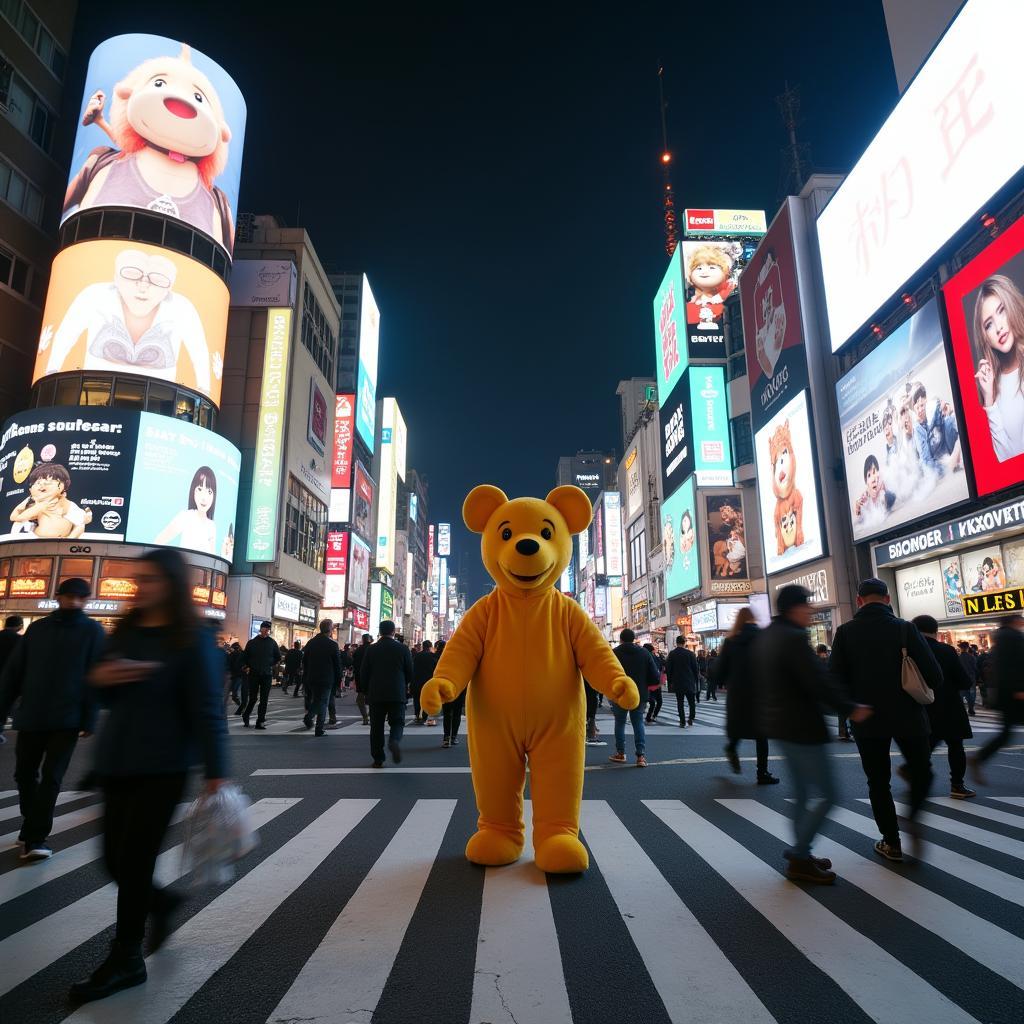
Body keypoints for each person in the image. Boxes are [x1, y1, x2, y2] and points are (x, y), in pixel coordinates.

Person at [69, 549, 228, 1003]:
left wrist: (217, 774)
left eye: (153, 580)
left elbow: (206, 710)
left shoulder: (191, 638)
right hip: (118, 760)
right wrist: (106, 676)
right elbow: (97, 683)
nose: (143, 588)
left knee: (134, 862)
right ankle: (162, 903)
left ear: (172, 585)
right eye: (140, 580)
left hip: (163, 767)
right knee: (113, 861)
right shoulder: (127, 629)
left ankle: (125, 958)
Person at [756, 585, 870, 884]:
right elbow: (817, 681)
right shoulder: (793, 639)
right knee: (829, 795)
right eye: (807, 606)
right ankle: (800, 854)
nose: (810, 611)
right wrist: (850, 707)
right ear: (795, 608)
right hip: (802, 727)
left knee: (805, 794)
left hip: (782, 724)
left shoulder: (769, 635)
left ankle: (802, 855)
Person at [829, 578, 942, 862]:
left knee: (878, 781)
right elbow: (935, 676)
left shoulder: (844, 633)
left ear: (859, 600)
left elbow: (833, 680)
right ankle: (913, 815)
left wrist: (852, 705)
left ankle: (891, 841)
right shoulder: (906, 628)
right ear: (888, 599)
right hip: (908, 715)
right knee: (922, 770)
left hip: (866, 718)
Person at [0, 580, 105, 860]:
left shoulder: (93, 631)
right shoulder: (38, 628)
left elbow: (95, 677)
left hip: (67, 717)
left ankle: (36, 837)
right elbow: (14, 672)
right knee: (23, 773)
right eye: (69, 597)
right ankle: (31, 824)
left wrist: (89, 718)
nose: (74, 602)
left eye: (80, 598)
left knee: (52, 777)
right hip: (32, 713)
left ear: (87, 600)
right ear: (58, 596)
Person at [909, 616, 975, 799]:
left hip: (921, 706)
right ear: (935, 630)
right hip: (950, 706)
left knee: (924, 747)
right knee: (955, 745)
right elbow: (964, 680)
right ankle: (957, 785)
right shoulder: (946, 651)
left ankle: (914, 777)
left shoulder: (908, 652)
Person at [718, 609, 778, 785]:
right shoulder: (763, 638)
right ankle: (762, 773)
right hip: (759, 692)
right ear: (753, 618)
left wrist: (722, 681)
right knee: (761, 735)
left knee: (738, 727)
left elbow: (721, 670)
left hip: (737, 693)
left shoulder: (730, 641)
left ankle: (731, 748)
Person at [970, 274, 1024, 462]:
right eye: (989, 324)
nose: (999, 327)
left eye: (1002, 311)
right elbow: (1006, 460)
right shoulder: (993, 388)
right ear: (985, 337)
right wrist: (990, 400)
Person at [970, 613, 1024, 783]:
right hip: (1015, 693)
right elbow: (1016, 665)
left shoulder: (1000, 638)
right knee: (1006, 734)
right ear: (1015, 621)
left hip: (1005, 693)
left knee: (1006, 734)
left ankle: (979, 758)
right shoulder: (1013, 637)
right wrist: (1019, 689)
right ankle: (978, 758)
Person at [361, 620, 413, 767]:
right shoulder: (403, 649)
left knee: (376, 727)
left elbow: (364, 672)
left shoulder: (371, 649)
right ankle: (394, 741)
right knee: (397, 722)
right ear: (393, 632)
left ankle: (378, 758)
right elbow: (410, 672)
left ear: (380, 632)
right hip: (397, 692)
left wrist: (365, 691)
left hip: (376, 693)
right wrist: (405, 685)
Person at [608, 628, 657, 767]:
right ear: (634, 638)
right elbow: (654, 676)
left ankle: (620, 753)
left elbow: (608, 673)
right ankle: (640, 756)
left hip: (620, 693)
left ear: (621, 639)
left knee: (620, 722)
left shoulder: (614, 653)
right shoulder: (644, 653)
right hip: (639, 693)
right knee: (638, 722)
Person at [301, 621, 343, 737]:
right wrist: (339, 680)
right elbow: (337, 665)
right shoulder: (333, 644)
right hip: (327, 678)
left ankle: (309, 717)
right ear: (330, 630)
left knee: (317, 700)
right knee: (323, 702)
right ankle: (319, 728)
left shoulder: (311, 643)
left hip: (312, 677)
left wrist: (306, 676)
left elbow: (304, 661)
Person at [241, 621, 280, 729]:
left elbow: (278, 657)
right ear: (261, 629)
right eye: (265, 628)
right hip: (253, 673)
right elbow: (244, 657)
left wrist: (270, 665)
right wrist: (246, 666)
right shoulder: (252, 642)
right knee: (253, 698)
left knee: (264, 699)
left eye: (268, 629)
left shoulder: (272, 643)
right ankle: (246, 714)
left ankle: (260, 721)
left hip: (267, 674)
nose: (267, 631)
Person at [666, 636, 699, 727]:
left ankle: (682, 721)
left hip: (678, 681)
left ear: (676, 642)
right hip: (689, 681)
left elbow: (669, 669)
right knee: (691, 701)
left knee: (680, 702)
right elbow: (695, 669)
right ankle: (691, 718)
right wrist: (696, 680)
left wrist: (670, 682)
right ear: (684, 643)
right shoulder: (690, 654)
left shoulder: (672, 654)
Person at [412, 639, 438, 726]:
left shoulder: (417, 656)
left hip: (417, 680)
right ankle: (424, 716)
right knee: (426, 699)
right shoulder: (432, 656)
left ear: (423, 646)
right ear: (430, 647)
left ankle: (417, 715)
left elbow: (413, 668)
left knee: (417, 699)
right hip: (428, 681)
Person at [352, 633, 373, 726]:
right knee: (373, 698)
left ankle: (365, 717)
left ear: (363, 640)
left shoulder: (358, 650)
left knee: (360, 699)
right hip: (372, 677)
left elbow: (354, 664)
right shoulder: (374, 649)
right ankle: (371, 715)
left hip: (360, 677)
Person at [643, 643, 664, 723]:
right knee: (658, 702)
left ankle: (650, 716)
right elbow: (661, 667)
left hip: (648, 683)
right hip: (656, 683)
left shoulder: (646, 658)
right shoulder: (655, 658)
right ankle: (652, 716)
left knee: (652, 702)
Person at [957, 640, 977, 716]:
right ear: (967, 648)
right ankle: (971, 708)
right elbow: (975, 669)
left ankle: (962, 710)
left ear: (960, 648)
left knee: (961, 695)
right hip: (971, 679)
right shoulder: (972, 657)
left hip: (961, 679)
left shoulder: (958, 658)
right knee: (972, 695)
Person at [227, 641, 245, 708]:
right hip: (239, 675)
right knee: (235, 690)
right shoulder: (242, 654)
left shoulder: (232, 654)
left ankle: (239, 703)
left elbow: (229, 664)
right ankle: (239, 703)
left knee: (233, 690)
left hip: (234, 674)